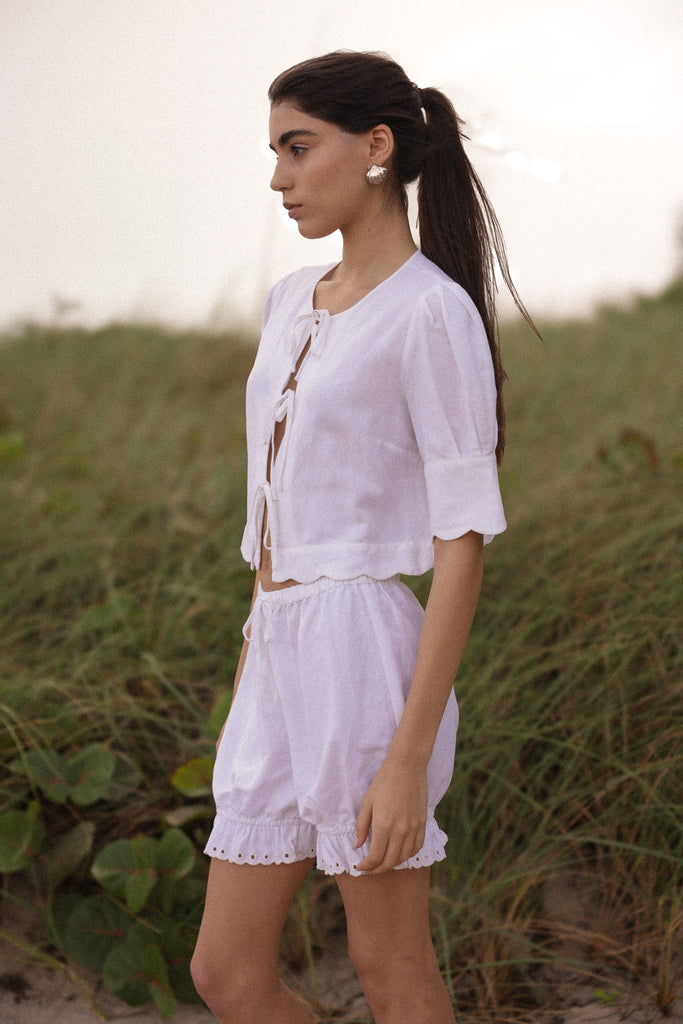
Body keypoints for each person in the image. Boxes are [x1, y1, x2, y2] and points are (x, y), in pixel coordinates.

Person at [191, 50, 533, 1024]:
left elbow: (462, 541)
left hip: (361, 653)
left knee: (389, 966)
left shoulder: (431, 313)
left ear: (375, 146)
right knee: (225, 972)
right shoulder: (286, 302)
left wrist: (403, 755)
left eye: (298, 148)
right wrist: (265, 652)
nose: (278, 177)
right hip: (275, 646)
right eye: (273, 152)